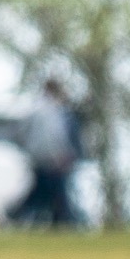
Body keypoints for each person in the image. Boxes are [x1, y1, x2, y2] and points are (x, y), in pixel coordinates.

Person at [13, 78, 79, 227]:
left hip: (38, 158)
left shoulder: (34, 108)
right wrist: (59, 156)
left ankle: (18, 216)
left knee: (41, 193)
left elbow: (20, 134)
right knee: (55, 194)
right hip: (49, 160)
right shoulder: (50, 111)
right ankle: (63, 223)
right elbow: (53, 137)